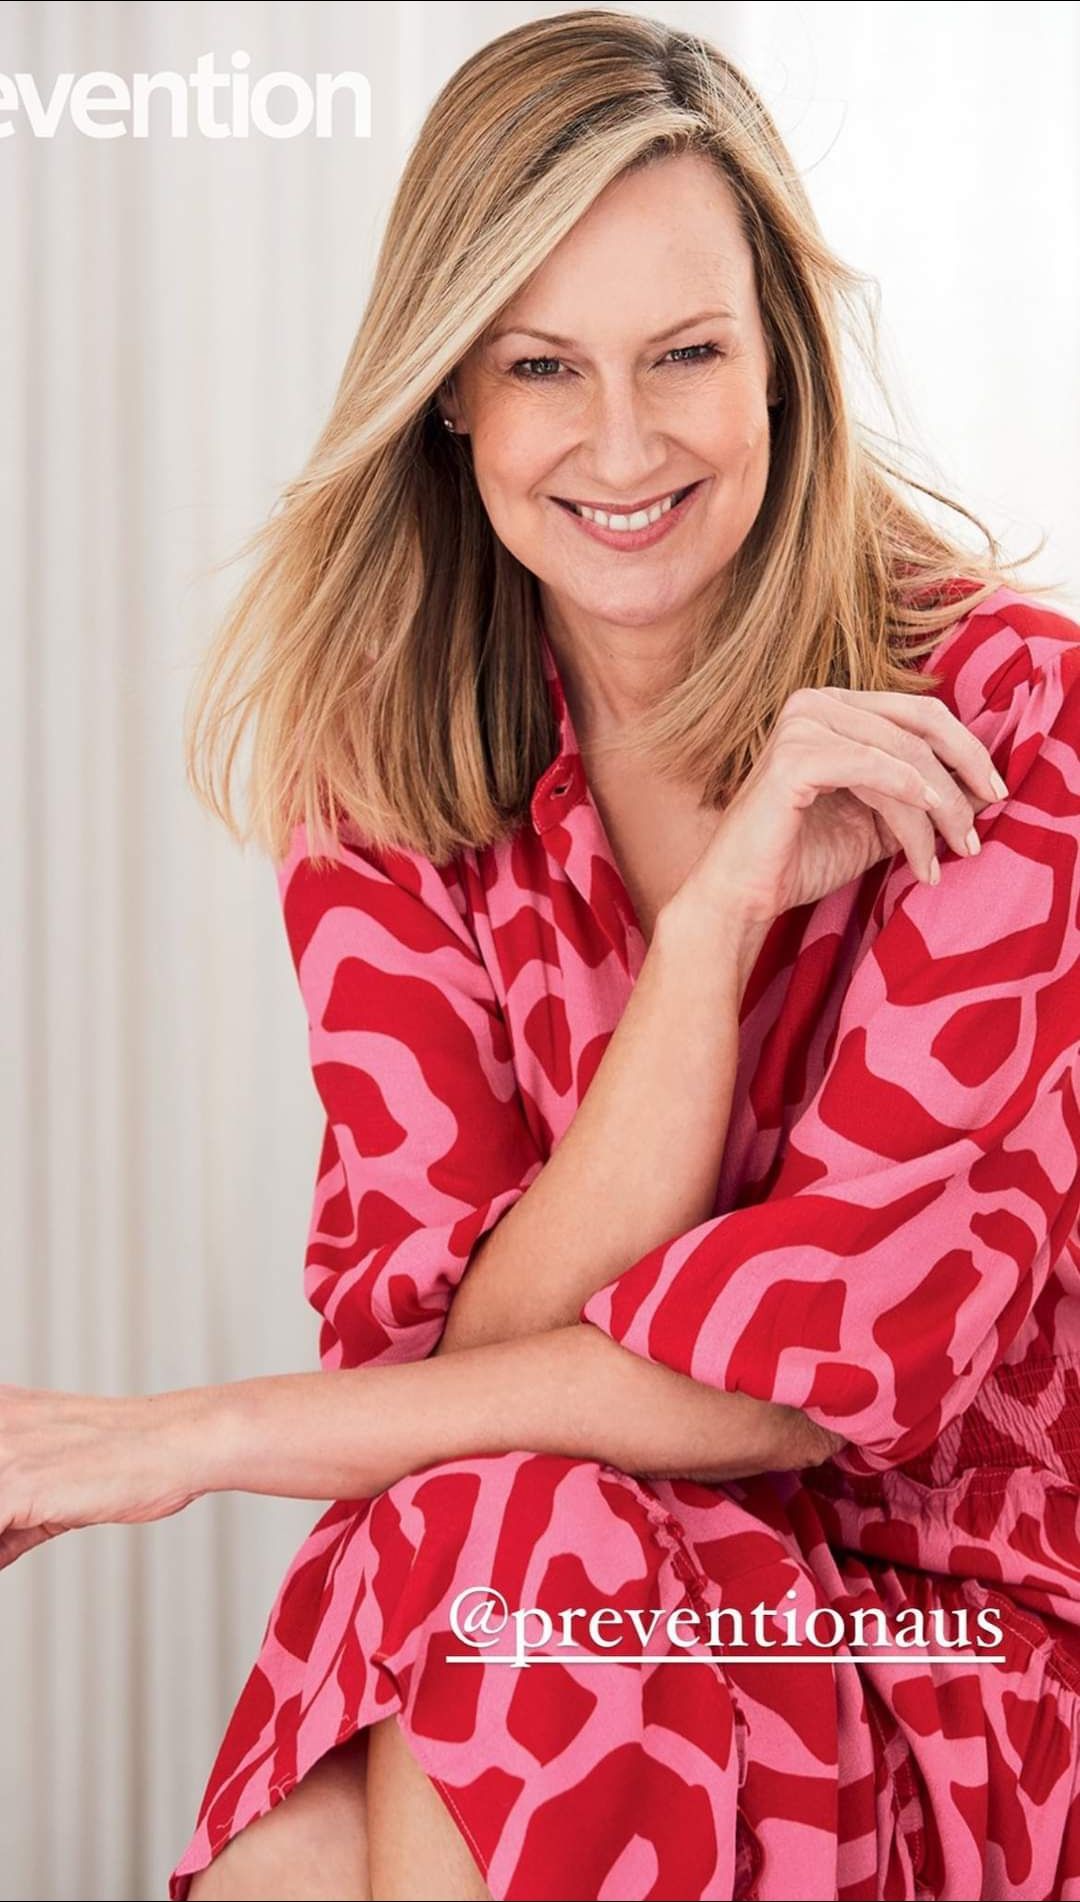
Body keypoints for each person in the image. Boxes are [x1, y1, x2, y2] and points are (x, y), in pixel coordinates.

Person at [3, 10, 1080, 1899]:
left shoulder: (1009, 721)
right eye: (540, 365)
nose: (622, 442)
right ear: (451, 393)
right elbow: (457, 1360)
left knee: (495, 1564)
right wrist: (711, 934)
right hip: (541, 1590)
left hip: (943, 1641)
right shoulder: (385, 772)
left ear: (782, 359)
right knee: (442, 1638)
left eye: (687, 353)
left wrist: (197, 1434)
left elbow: (814, 1376)